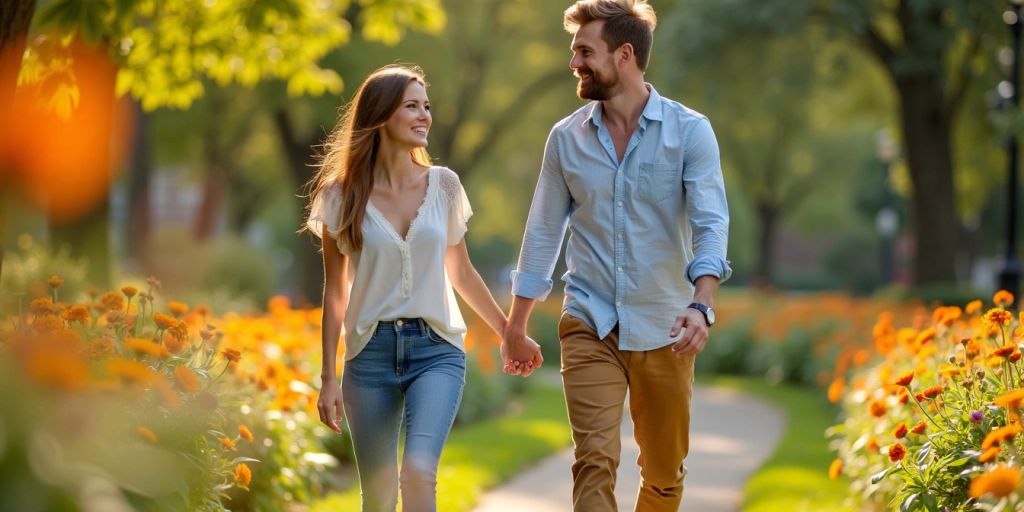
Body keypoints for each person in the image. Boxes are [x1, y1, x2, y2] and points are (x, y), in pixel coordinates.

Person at [500, 1, 732, 510]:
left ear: (624, 54)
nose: (574, 62)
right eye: (574, 51)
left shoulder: (689, 131)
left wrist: (702, 304)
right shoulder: (565, 139)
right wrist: (516, 325)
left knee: (665, 474)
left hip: (666, 324)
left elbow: (710, 222)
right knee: (595, 458)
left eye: (585, 51)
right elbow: (542, 232)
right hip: (590, 318)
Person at [304, 64, 542, 512]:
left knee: (417, 471)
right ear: (380, 116)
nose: (424, 116)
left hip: (437, 349)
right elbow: (334, 293)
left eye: (426, 106)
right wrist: (327, 377)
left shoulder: (444, 185)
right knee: (377, 495)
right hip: (368, 356)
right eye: (411, 106)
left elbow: (463, 272)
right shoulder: (339, 196)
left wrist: (509, 332)